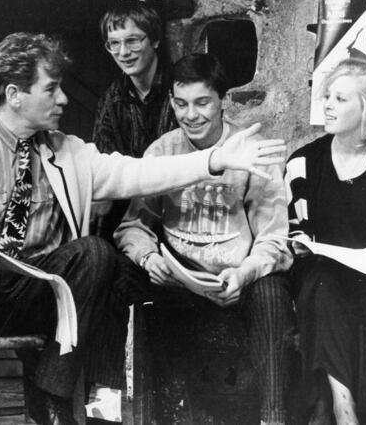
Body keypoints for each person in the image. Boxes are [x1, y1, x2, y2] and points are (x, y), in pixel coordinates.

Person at [0, 33, 285, 425]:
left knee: (95, 252)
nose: (63, 99)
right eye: (51, 88)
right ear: (14, 95)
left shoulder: (67, 150)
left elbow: (138, 173)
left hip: (38, 295)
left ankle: (52, 395)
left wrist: (212, 161)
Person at [115, 53, 295, 425]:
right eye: (180, 104)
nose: (191, 115)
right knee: (116, 269)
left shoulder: (252, 153)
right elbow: (131, 226)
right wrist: (150, 258)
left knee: (273, 291)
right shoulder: (162, 151)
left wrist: (244, 274)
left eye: (202, 103)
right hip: (179, 278)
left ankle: (273, 418)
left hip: (236, 279)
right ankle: (133, 409)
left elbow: (274, 240)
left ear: (222, 102)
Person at [286, 58, 366, 424]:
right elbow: (293, 230)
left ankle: (359, 407)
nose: (326, 105)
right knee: (324, 284)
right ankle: (345, 409)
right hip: (317, 278)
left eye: (340, 99)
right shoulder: (303, 164)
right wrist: (297, 245)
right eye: (326, 97)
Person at [91, 0, 178, 239]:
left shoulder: (180, 89)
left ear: (155, 40)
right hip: (127, 215)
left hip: (176, 206)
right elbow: (104, 163)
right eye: (114, 44)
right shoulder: (112, 98)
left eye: (132, 40)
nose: (123, 53)